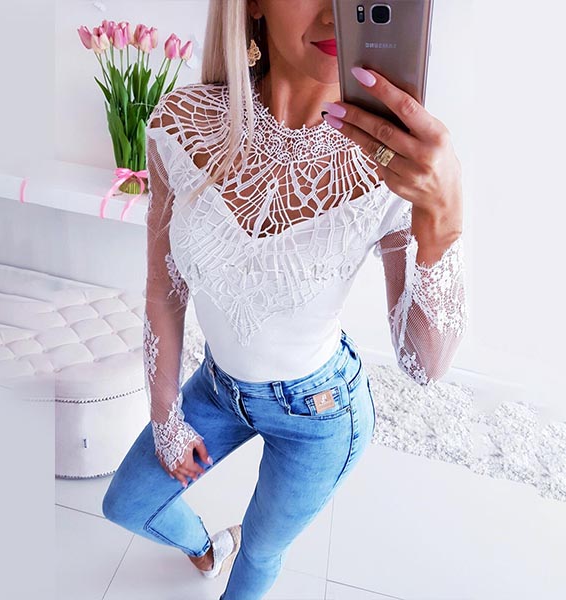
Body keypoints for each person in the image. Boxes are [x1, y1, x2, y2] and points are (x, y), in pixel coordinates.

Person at [101, 1, 467, 598]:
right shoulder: (180, 123)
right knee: (127, 503)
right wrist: (165, 414)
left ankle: (242, 550)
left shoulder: (395, 163)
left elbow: (423, 364)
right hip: (216, 386)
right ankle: (207, 548)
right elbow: (165, 287)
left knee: (263, 553)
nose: (334, 14)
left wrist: (443, 218)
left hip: (320, 413)